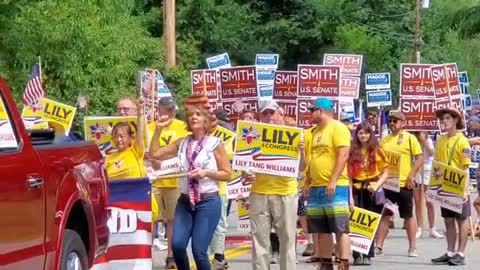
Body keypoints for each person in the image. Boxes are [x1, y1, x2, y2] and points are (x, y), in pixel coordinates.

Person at [149, 95, 232, 270]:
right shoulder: (182, 142)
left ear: (205, 120)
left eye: (198, 115)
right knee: (178, 245)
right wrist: (157, 130)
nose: (193, 117)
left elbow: (227, 174)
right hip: (185, 201)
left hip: (208, 201)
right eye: (190, 115)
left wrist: (206, 172)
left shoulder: (214, 144)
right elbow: (155, 155)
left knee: (198, 250)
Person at [242, 100, 306, 270]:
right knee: (259, 241)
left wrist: (302, 151)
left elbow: (302, 168)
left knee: (287, 240)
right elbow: (244, 163)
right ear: (259, 116)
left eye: (272, 112)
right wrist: (245, 174)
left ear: (280, 114)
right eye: (265, 113)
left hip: (286, 192)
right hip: (259, 193)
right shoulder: (252, 134)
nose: (269, 116)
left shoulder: (294, 135)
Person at [304, 98, 351, 270]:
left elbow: (343, 155)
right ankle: (325, 262)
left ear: (321, 111)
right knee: (321, 228)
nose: (310, 114)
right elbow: (311, 159)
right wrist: (307, 181)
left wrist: (333, 180)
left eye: (312, 110)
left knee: (339, 227)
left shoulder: (338, 128)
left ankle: (343, 262)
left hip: (335, 186)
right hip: (316, 187)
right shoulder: (315, 132)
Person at [375, 111, 424, 257]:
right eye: (390, 120)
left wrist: (412, 175)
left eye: (396, 121)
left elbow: (420, 158)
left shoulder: (410, 139)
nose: (392, 123)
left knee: (408, 216)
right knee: (385, 215)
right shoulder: (384, 140)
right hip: (389, 184)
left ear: (403, 123)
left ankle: (412, 247)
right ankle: (379, 246)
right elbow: (378, 160)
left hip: (404, 184)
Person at [148, 97, 189, 268]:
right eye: (165, 109)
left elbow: (184, 149)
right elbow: (147, 149)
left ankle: (170, 256)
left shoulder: (182, 126)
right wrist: (153, 157)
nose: (168, 113)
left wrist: (162, 157)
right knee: (150, 219)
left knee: (171, 220)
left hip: (174, 180)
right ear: (159, 110)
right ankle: (146, 255)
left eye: (171, 110)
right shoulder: (151, 127)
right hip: (155, 180)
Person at [431, 108, 471, 266]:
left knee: (462, 220)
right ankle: (450, 251)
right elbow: (437, 165)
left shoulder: (462, 141)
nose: (444, 121)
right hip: (444, 185)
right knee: (448, 220)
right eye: (442, 119)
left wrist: (466, 190)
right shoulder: (440, 140)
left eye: (447, 118)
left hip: (459, 184)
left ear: (455, 120)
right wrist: (433, 187)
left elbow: (465, 167)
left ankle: (460, 253)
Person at [347, 122, 389, 265]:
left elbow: (386, 172)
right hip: (357, 189)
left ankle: (367, 254)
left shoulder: (376, 150)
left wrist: (376, 186)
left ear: (370, 134)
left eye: (366, 133)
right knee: (356, 222)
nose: (363, 136)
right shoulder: (352, 152)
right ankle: (357, 254)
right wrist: (350, 197)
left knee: (369, 222)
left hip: (371, 189)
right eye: (360, 133)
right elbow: (349, 177)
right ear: (356, 135)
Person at [412, 131, 443, 239]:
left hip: (428, 171)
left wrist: (424, 141)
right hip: (416, 171)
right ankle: (419, 227)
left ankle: (432, 228)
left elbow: (431, 153)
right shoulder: (412, 139)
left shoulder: (428, 140)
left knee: (429, 200)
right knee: (417, 200)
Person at [105, 98, 145, 179]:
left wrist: (140, 113)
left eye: (122, 136)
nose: (119, 140)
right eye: (115, 137)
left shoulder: (136, 151)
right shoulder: (108, 159)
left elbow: (140, 131)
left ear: (130, 138)